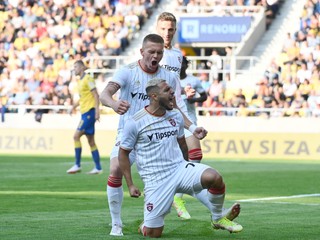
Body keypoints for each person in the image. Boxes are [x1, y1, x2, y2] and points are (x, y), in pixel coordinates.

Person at [99, 33, 207, 236]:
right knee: (115, 170)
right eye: (151, 52)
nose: (155, 55)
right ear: (142, 52)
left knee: (183, 170)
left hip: (159, 136)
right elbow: (105, 94)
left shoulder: (169, 76)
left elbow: (175, 108)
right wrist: (114, 104)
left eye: (159, 52)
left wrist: (192, 128)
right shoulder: (128, 71)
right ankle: (116, 224)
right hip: (130, 133)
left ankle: (213, 213)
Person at [119, 78, 243, 238]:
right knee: (153, 234)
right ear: (154, 96)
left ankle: (218, 217)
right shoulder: (135, 122)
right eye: (167, 90)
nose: (172, 92)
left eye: (172, 89)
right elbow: (123, 153)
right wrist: (130, 185)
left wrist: (187, 165)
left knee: (214, 177)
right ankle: (146, 225)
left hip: (179, 168)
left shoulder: (176, 116)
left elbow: (182, 143)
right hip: (156, 179)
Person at [156, 11, 240, 221]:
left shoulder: (176, 55)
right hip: (157, 117)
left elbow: (174, 87)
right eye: (163, 29)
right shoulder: (153, 53)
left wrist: (183, 94)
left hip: (179, 112)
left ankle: (201, 207)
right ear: (157, 29)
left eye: (171, 29)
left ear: (175, 31)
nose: (167, 33)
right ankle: (118, 223)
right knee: (125, 166)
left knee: (194, 156)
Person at [66, 60, 102, 175]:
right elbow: (82, 98)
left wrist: (97, 111)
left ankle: (77, 165)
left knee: (76, 136)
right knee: (91, 141)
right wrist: (73, 107)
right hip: (84, 112)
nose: (74, 69)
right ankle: (98, 167)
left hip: (89, 112)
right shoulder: (79, 81)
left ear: (81, 68)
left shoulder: (88, 79)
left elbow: (96, 95)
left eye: (76, 67)